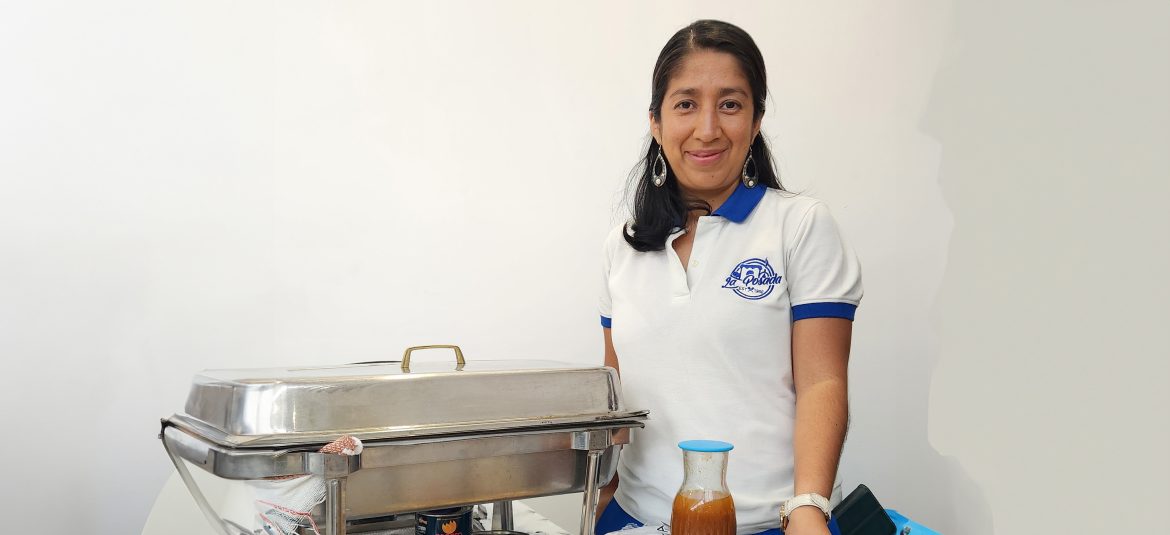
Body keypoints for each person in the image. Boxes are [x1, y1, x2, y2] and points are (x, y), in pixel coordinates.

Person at [596, 20, 863, 535]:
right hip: (633, 521)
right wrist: (596, 508)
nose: (707, 128)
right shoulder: (623, 245)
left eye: (731, 104)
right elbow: (617, 396)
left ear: (757, 118)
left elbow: (823, 381)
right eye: (686, 103)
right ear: (655, 121)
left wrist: (808, 506)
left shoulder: (799, 226)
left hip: (765, 522)